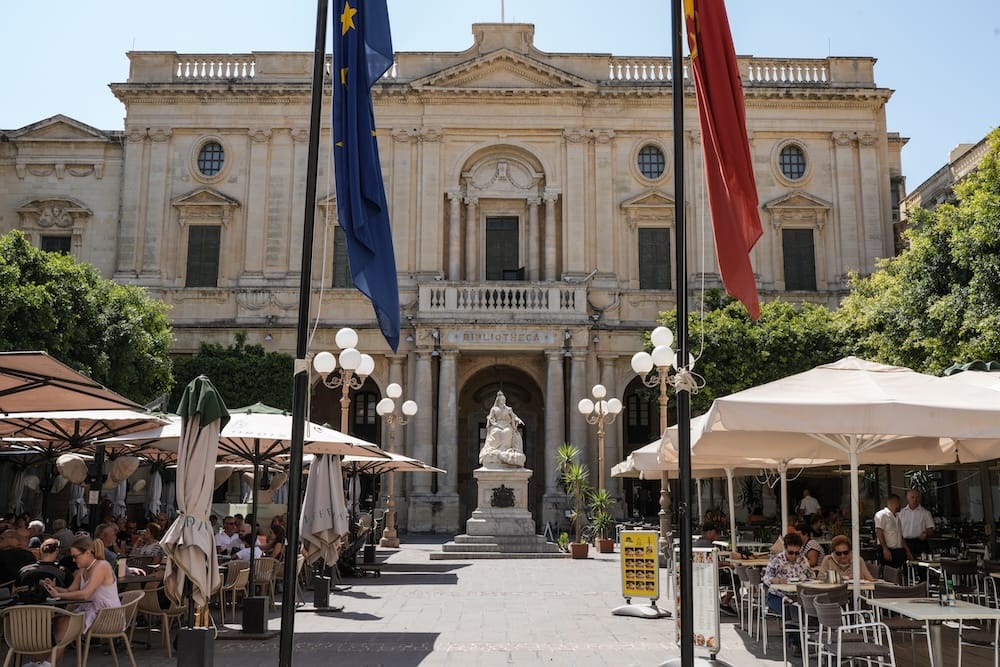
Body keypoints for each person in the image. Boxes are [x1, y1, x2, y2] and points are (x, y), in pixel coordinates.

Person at [40, 536, 122, 666]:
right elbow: (69, 591)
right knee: (58, 621)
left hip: (108, 616)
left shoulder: (102, 566)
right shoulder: (82, 570)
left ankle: (48, 663)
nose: (73, 560)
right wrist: (54, 588)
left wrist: (58, 595)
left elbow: (85, 594)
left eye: (75, 556)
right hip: (92, 611)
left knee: (64, 623)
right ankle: (49, 662)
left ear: (88, 553)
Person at [763, 533, 814, 656]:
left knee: (805, 609)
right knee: (791, 610)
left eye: (797, 553)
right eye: (791, 553)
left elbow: (811, 576)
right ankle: (797, 643)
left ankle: (806, 640)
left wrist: (804, 579)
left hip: (798, 595)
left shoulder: (803, 560)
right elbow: (766, 578)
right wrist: (778, 580)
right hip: (777, 595)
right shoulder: (776, 559)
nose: (794, 556)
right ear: (785, 548)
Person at [479, 391, 526, 467]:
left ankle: (505, 450)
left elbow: (514, 416)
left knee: (508, 432)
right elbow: (490, 418)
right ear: (498, 400)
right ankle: (492, 449)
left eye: (504, 400)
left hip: (507, 425)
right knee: (495, 432)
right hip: (497, 425)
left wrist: (518, 419)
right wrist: (494, 423)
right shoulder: (494, 409)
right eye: (501, 400)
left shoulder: (508, 409)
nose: (503, 401)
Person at [16, 538, 68, 603]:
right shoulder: (62, 571)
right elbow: (72, 592)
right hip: (55, 610)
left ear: (40, 550)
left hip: (23, 610)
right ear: (57, 551)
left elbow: (15, 591)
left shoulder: (24, 570)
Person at [875, 494, 911, 569]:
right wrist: (885, 549)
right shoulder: (882, 515)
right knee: (888, 572)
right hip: (887, 549)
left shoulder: (897, 517)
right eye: (899, 503)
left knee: (898, 572)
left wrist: (907, 550)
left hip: (898, 549)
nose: (900, 505)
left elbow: (900, 535)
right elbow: (879, 532)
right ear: (894, 503)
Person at [899, 488, 935, 558]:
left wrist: (926, 534)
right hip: (904, 542)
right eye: (912, 497)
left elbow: (931, 529)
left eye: (917, 497)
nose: (915, 500)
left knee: (921, 566)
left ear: (920, 498)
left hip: (919, 543)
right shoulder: (901, 513)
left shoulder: (926, 513)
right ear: (907, 498)